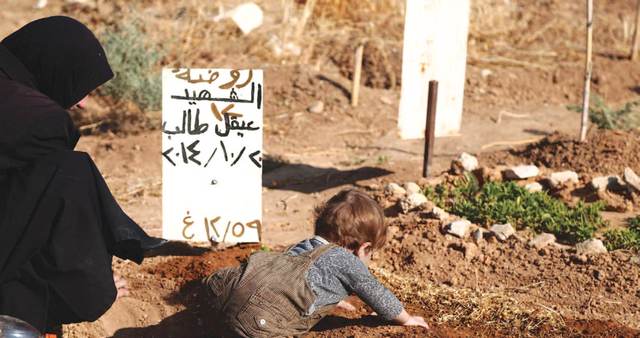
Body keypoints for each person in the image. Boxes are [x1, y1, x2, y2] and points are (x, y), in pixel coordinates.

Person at [0, 16, 164, 334]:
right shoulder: (40, 120)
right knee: (69, 174)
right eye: (80, 86)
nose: (84, 104)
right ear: (55, 67)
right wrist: (87, 279)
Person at [204, 189, 428, 337]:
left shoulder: (304, 245)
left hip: (224, 298)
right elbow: (376, 293)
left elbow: (293, 282)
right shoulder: (347, 261)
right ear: (364, 248)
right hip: (260, 321)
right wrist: (406, 319)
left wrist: (331, 300)